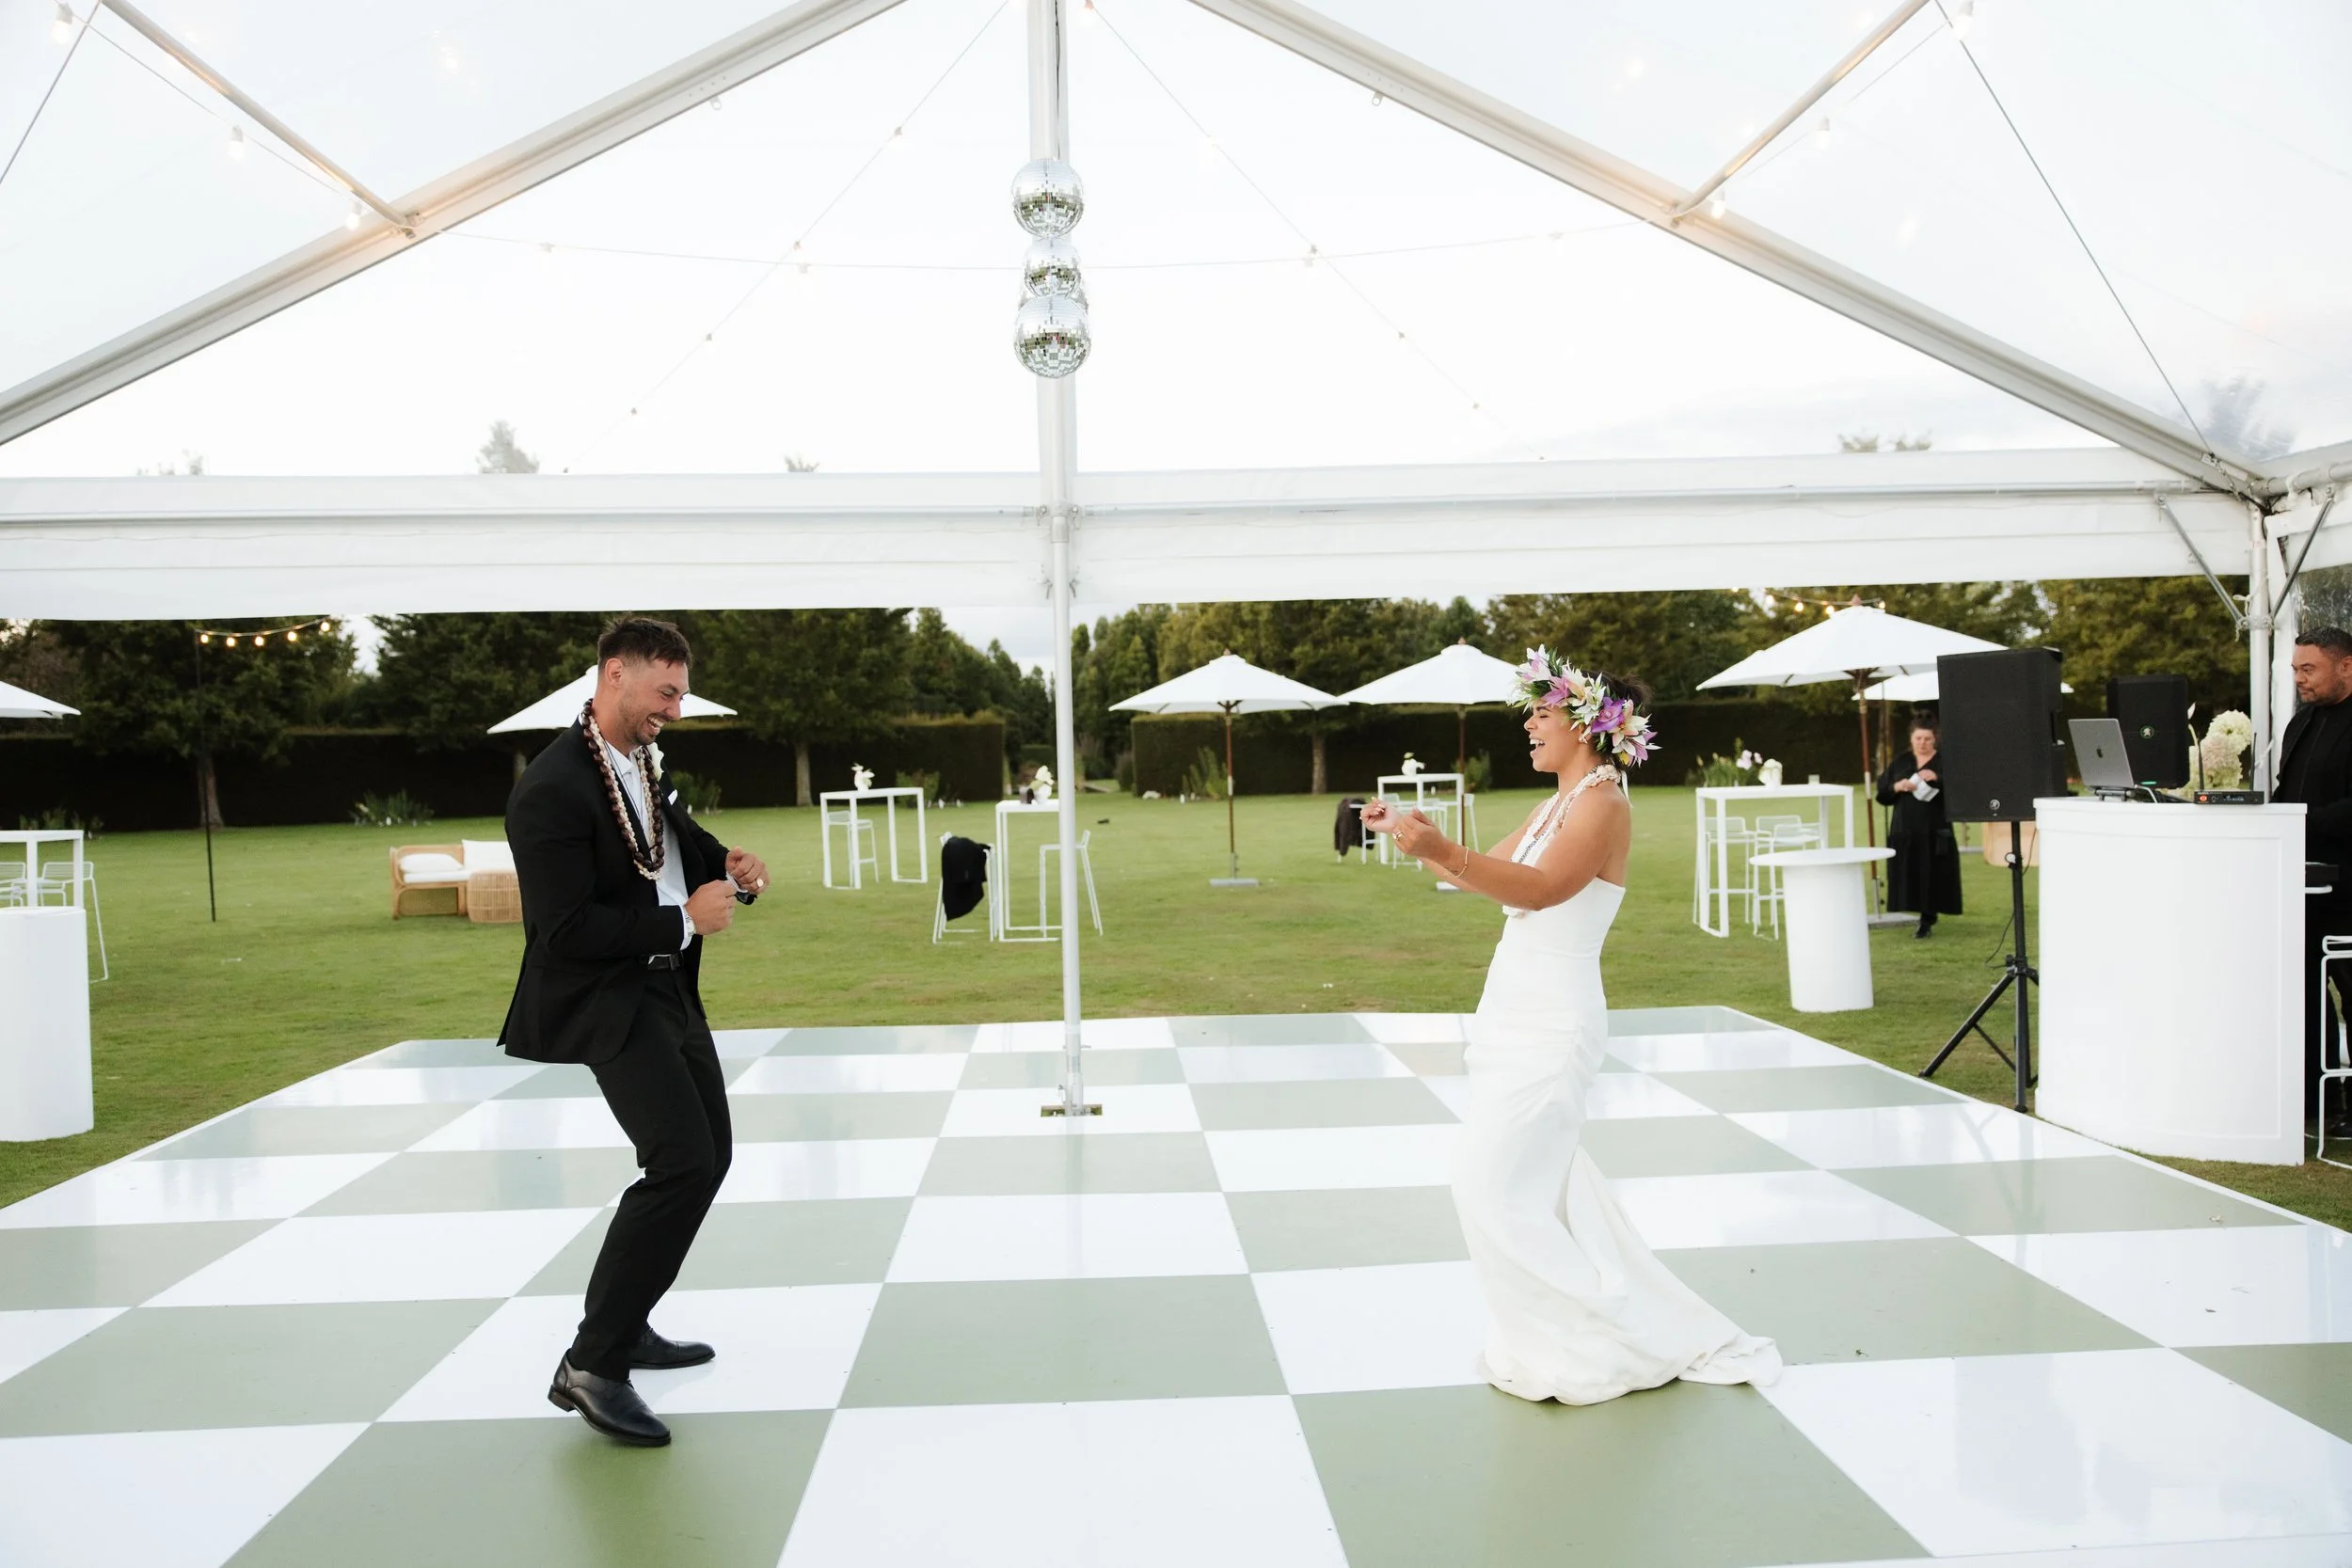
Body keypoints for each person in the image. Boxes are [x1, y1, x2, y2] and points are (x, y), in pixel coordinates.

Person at [1363, 649, 1781, 1404]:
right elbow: (1479, 873)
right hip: (1511, 1010)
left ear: (1586, 724)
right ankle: (1556, 1336)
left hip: (1554, 1022)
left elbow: (1545, 888)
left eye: (1542, 713)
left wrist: (1442, 848)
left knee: (1486, 1184)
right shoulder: (1558, 801)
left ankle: (1596, 1340)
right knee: (1533, 1189)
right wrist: (1410, 831)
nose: (1529, 725)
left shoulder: (1603, 804)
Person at [501, 616, 770, 1448]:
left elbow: (667, 841)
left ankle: (628, 1319)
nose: (676, 710)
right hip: (605, 1000)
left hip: (666, 994)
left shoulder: (641, 761)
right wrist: (682, 923)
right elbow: (564, 930)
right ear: (614, 673)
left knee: (709, 1155)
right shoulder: (551, 787)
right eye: (666, 692)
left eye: (681, 693)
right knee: (680, 1160)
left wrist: (727, 864)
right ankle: (592, 1363)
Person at [2272, 626, 2352, 1135]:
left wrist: (2300, 821)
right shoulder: (2301, 723)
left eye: (2309, 670)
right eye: (2296, 669)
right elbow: (2285, 790)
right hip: (2298, 883)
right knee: (2301, 992)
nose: (2300, 679)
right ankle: (2317, 1102)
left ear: (2345, 666)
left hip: (2347, 883)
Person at [1877, 709, 1963, 939]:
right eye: (1918, 739)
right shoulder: (1901, 761)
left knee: (1932, 871)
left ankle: (1928, 918)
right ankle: (1913, 910)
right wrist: (1898, 787)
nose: (1922, 743)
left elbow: (1960, 790)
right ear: (1911, 739)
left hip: (1934, 826)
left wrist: (1937, 779)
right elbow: (1882, 792)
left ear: (1935, 739)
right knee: (1910, 870)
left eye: (1927, 739)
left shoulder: (1944, 761)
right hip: (1905, 827)